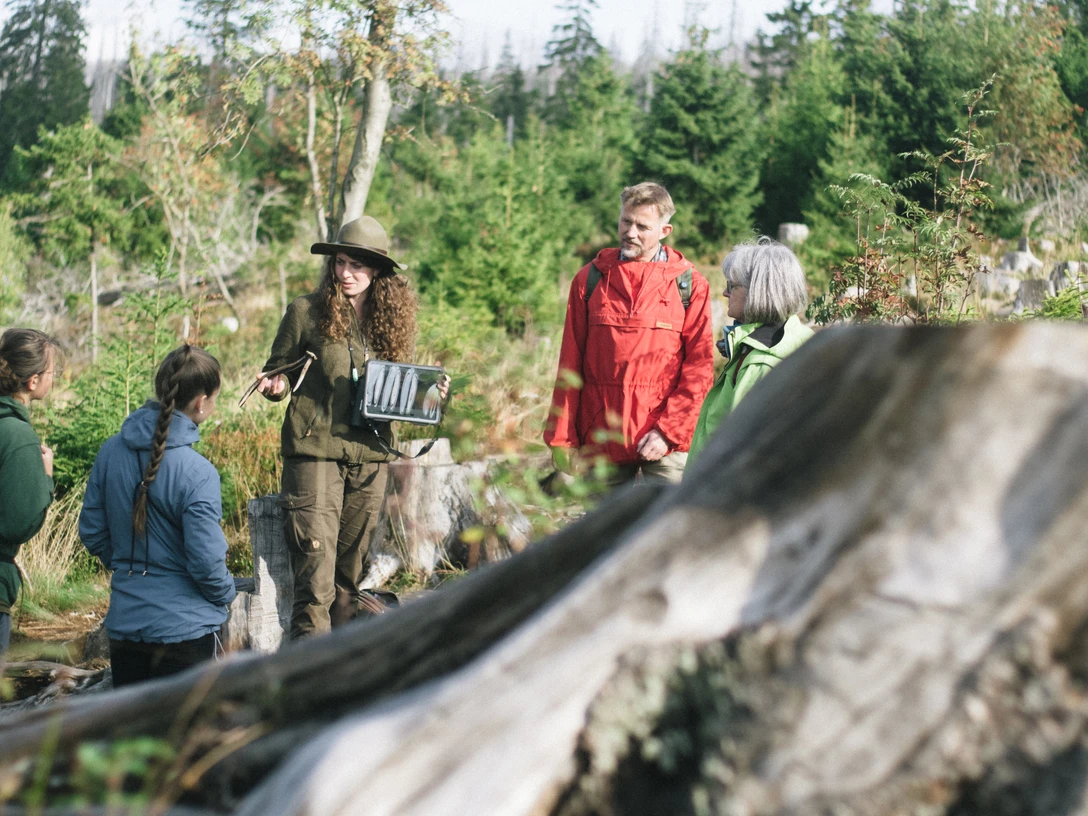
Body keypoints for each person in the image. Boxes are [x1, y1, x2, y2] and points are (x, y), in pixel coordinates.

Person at [256, 216, 436, 640]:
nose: (345, 274)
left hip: (370, 459)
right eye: (340, 263)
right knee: (315, 582)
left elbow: (398, 392)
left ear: (377, 271)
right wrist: (276, 385)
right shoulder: (305, 312)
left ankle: (342, 668)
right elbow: (276, 372)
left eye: (357, 265)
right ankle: (306, 679)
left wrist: (431, 394)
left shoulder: (389, 322)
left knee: (347, 583)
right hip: (315, 455)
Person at [79, 345, 236, 686]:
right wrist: (228, 593)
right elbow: (206, 562)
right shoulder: (198, 472)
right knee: (184, 736)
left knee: (132, 735)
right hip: (186, 633)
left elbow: (92, 531)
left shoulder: (110, 451)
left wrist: (130, 570)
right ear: (201, 402)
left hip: (125, 626)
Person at [544, 182, 714, 485]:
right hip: (601, 437)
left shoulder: (690, 285)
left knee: (666, 530)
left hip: (664, 444)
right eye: (626, 221)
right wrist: (561, 437)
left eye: (642, 226)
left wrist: (668, 433)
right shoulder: (590, 279)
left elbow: (699, 370)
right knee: (601, 531)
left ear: (665, 230)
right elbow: (570, 363)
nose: (630, 232)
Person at [688, 238, 813, 463]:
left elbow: (738, 449)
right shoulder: (796, 339)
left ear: (758, 290)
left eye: (731, 286)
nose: (725, 293)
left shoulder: (761, 361)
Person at [0, 329, 58, 656]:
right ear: (33, 381)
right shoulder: (18, 436)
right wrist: (45, 477)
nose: (54, 379)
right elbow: (20, 523)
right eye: (52, 373)